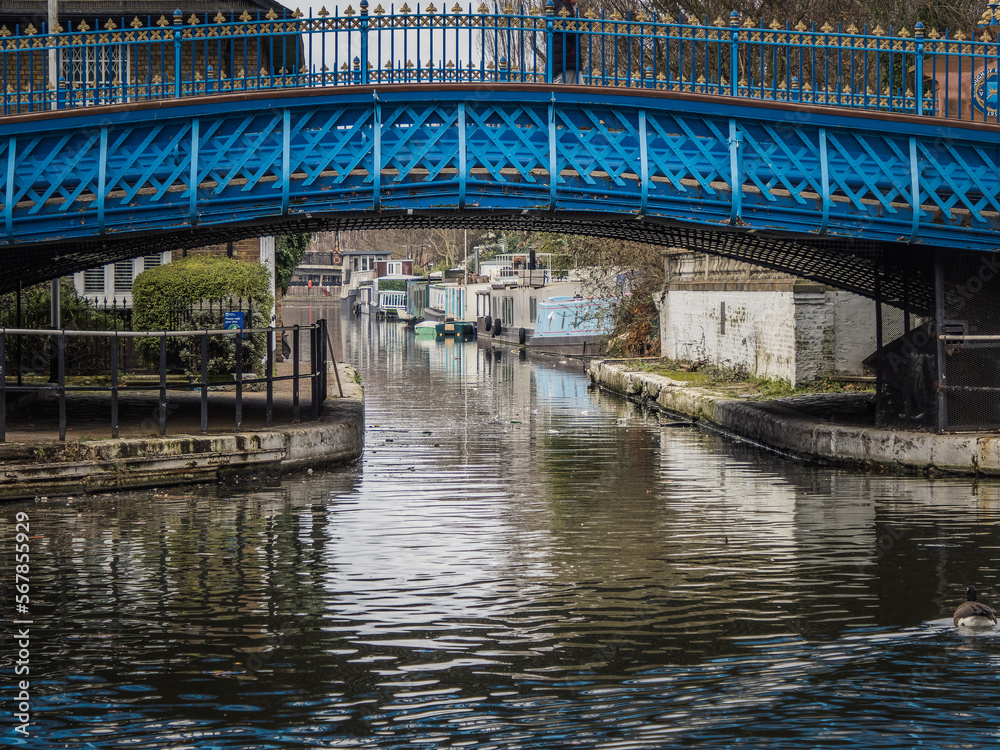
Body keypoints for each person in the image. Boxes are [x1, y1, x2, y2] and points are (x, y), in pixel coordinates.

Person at [551, 0, 580, 84]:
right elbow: (568, 30)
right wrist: (584, 25)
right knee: (559, 92)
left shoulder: (566, 5)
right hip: (564, 61)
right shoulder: (561, 6)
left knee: (580, 94)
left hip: (570, 61)